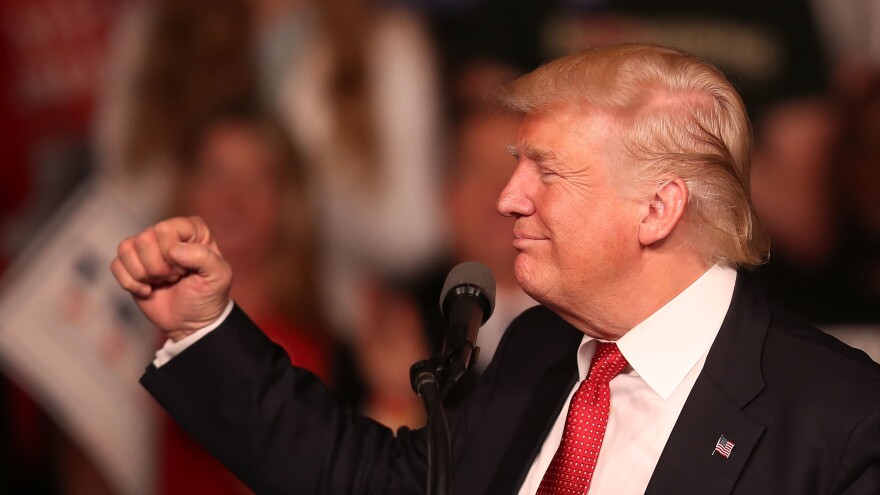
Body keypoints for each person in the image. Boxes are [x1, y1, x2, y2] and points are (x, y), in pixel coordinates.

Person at [111, 44, 880, 494]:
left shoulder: (839, 419)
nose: (509, 199)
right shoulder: (541, 348)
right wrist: (202, 328)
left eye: (546, 171)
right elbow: (371, 480)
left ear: (658, 209)